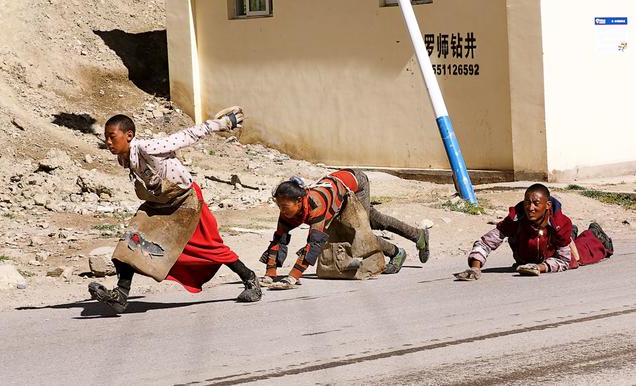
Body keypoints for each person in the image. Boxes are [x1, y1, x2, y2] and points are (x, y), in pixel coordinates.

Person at [88, 107, 262, 313]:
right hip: (160, 204)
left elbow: (186, 135)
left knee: (210, 246)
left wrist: (222, 124)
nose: (108, 142)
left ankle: (250, 278)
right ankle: (120, 295)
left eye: (111, 136)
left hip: (187, 201)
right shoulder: (125, 158)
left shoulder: (147, 147)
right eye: (106, 137)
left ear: (129, 135)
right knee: (131, 241)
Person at [261, 169, 430, 289]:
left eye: (284, 206)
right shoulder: (288, 209)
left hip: (357, 184)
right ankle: (418, 235)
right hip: (339, 187)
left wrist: (292, 278)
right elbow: (278, 240)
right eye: (279, 206)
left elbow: (314, 244)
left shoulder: (316, 206)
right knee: (373, 219)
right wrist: (270, 275)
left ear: (299, 201)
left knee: (359, 233)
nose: (281, 210)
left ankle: (396, 252)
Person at [454, 183, 614, 280]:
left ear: (548, 206)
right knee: (563, 242)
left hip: (550, 253)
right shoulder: (514, 220)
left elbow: (563, 261)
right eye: (527, 203)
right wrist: (475, 268)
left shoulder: (559, 223)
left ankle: (596, 236)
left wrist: (540, 268)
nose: (531, 208)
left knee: (579, 258)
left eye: (536, 203)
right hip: (529, 257)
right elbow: (486, 243)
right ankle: (570, 235)